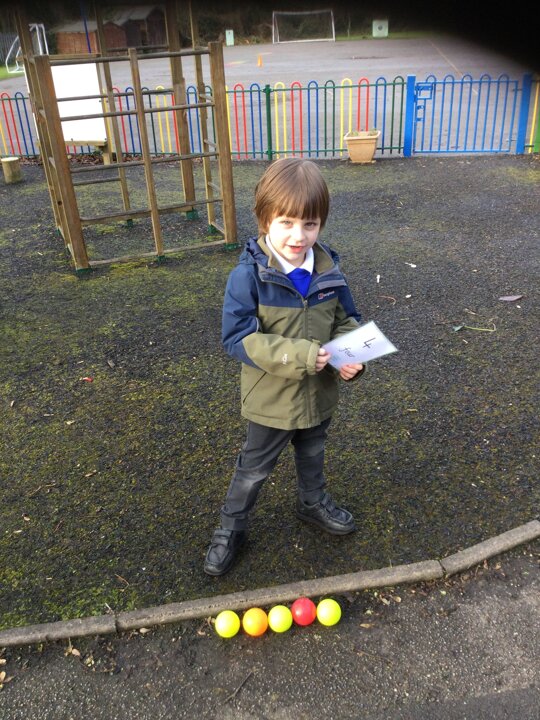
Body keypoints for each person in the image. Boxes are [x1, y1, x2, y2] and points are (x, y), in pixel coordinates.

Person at [204, 158, 365, 577]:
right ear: (265, 220)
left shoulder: (329, 270)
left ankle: (312, 502)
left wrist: (349, 357)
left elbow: (346, 319)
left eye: (310, 224)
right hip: (271, 400)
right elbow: (238, 338)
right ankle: (231, 528)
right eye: (287, 223)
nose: (299, 236)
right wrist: (303, 356)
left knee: (313, 452)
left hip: (318, 394)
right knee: (253, 468)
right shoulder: (248, 277)